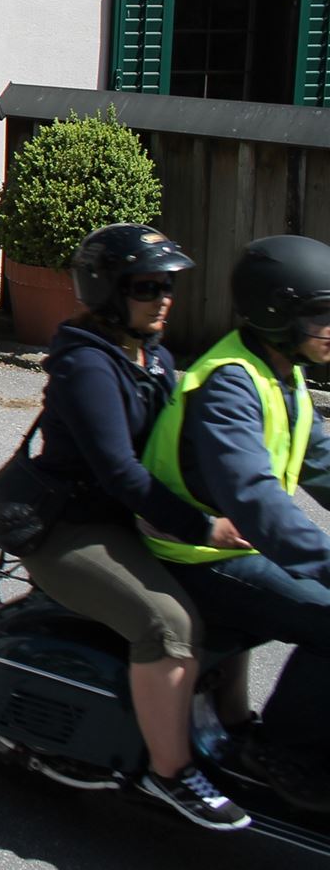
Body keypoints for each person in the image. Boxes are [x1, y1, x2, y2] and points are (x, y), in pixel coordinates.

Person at [16, 225, 252, 830]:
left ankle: (234, 728)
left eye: (168, 285)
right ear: (109, 291)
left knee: (243, 593)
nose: (164, 298)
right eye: (148, 287)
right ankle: (170, 773)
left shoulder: (155, 357)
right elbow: (121, 474)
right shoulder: (87, 365)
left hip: (130, 525)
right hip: (71, 531)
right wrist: (202, 526)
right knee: (169, 624)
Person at [141, 234, 330, 813]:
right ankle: (282, 754)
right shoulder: (230, 382)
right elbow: (255, 501)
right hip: (198, 556)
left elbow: (322, 462)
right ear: (277, 315)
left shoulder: (282, 372)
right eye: (320, 317)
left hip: (240, 548)